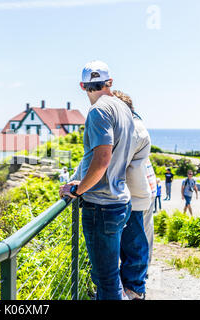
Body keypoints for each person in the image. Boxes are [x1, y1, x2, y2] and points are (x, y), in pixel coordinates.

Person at [59, 61, 137, 300]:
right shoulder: (124, 108)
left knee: (106, 280)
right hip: (120, 200)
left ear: (83, 86)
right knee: (110, 275)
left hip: (101, 206)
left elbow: (102, 159)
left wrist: (78, 188)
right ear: (110, 83)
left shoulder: (98, 111)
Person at [113, 90, 153, 299]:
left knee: (134, 250)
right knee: (136, 247)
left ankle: (134, 292)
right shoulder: (134, 126)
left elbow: (116, 162)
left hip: (133, 199)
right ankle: (134, 289)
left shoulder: (132, 129)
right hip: (138, 197)